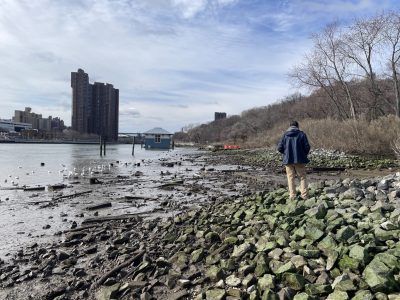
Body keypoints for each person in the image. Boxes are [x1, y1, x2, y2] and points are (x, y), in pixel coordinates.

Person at [277, 120, 310, 200]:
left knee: (290, 178)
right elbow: (307, 147)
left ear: (289, 126)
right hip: (300, 159)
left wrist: (286, 154)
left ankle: (292, 196)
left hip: (288, 160)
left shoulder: (285, 135)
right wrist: (303, 154)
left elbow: (279, 148)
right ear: (297, 126)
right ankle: (304, 195)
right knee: (302, 177)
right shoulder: (302, 134)